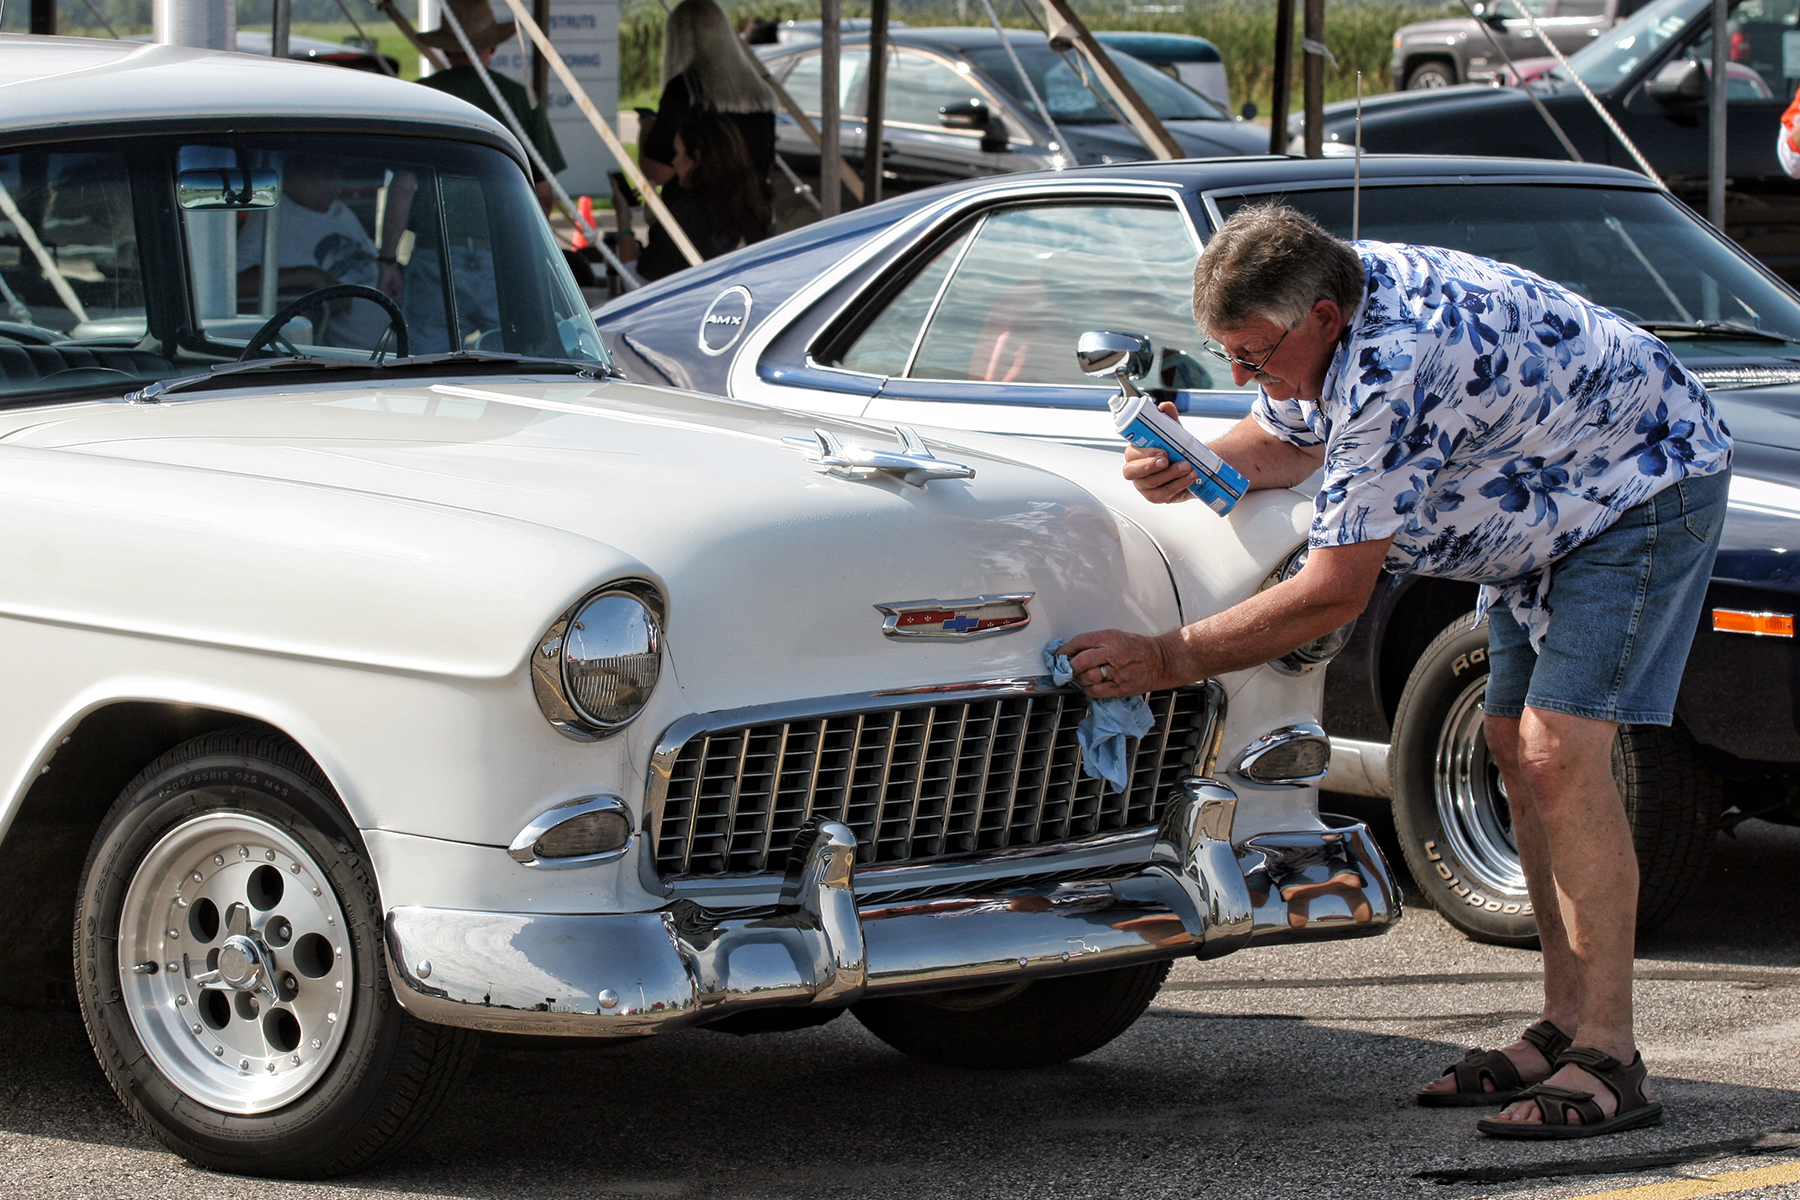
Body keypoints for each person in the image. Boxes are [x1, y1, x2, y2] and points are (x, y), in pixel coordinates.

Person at [1062, 204, 1732, 1140]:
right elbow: (1292, 440)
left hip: (1640, 485)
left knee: (1557, 752)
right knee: (1509, 743)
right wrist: (1202, 460)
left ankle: (1613, 1058)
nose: (1246, 377)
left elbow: (1335, 592)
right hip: (1546, 497)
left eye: (1255, 357)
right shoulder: (1321, 300)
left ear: (1325, 319)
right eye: (1230, 359)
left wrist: (1166, 658)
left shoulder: (1394, 363)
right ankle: (1564, 1024)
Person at [416, 0, 565, 214]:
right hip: (503, 230)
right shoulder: (520, 97)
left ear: (446, 49)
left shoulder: (421, 94)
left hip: (432, 230)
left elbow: (403, 184)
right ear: (493, 47)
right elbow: (543, 193)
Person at [236, 153, 392, 349]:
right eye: (320, 167)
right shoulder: (272, 219)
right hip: (358, 356)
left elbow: (367, 259)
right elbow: (237, 284)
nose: (334, 175)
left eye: (335, 168)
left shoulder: (339, 210)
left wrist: (389, 269)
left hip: (400, 334)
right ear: (293, 174)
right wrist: (312, 276)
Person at [640, 0, 776, 205]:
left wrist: (646, 128)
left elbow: (657, 172)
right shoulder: (760, 93)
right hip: (752, 217)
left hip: (699, 217)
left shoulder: (686, 90)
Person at [624, 110, 771, 282]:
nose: (674, 161)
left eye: (678, 152)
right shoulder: (753, 203)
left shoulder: (688, 214)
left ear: (696, 156)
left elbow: (637, 283)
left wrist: (623, 222)